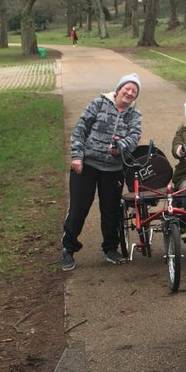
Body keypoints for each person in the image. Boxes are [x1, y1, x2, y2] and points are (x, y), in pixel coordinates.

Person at [60, 73, 142, 271]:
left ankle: (110, 249)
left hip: (113, 169)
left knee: (111, 209)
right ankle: (68, 248)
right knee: (79, 207)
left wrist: (120, 146)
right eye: (127, 88)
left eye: (134, 91)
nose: (130, 93)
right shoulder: (98, 103)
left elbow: (134, 137)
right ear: (119, 88)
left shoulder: (134, 114)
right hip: (87, 164)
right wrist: (77, 157)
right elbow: (80, 130)